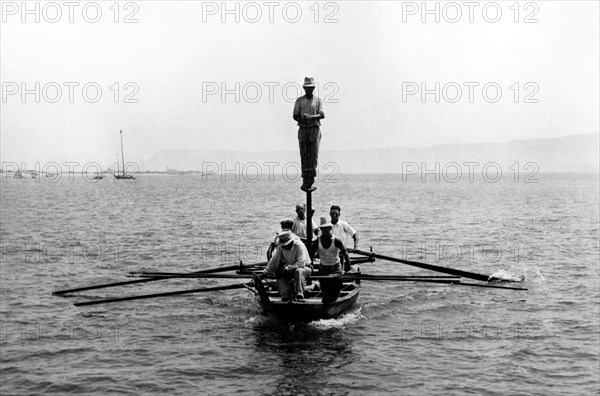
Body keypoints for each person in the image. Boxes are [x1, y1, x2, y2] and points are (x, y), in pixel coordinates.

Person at [262, 230, 312, 302]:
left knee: (299, 271)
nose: (285, 247)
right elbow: (274, 261)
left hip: (305, 268)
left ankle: (299, 295)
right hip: (290, 269)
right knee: (279, 273)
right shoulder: (281, 247)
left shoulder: (299, 246)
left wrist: (287, 269)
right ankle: (285, 296)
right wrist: (265, 273)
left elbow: (301, 263)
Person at [293, 77, 325, 192]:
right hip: (303, 129)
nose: (309, 90)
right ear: (304, 88)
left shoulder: (318, 100)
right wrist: (303, 119)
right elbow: (295, 115)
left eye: (311, 88)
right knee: (304, 155)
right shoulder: (299, 101)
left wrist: (311, 117)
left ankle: (311, 180)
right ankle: (304, 181)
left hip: (315, 129)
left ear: (314, 88)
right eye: (307, 88)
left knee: (313, 155)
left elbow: (322, 114)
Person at [310, 222, 351, 303]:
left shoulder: (336, 240)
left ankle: (333, 298)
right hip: (323, 267)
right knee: (325, 289)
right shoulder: (316, 242)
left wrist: (349, 268)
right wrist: (310, 266)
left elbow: (345, 253)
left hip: (335, 267)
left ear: (330, 229)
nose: (326, 232)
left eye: (327, 229)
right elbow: (310, 255)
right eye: (324, 230)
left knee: (334, 287)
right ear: (321, 230)